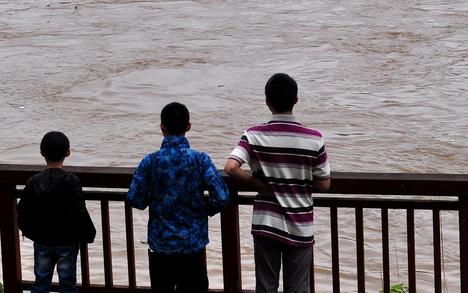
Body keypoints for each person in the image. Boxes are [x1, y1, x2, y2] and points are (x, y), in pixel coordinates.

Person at [225, 73, 331, 293]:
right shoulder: (314, 138)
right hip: (300, 224)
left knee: (266, 286)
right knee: (298, 288)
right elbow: (324, 185)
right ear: (296, 100)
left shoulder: (254, 135)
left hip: (266, 222)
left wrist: (258, 184)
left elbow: (231, 168)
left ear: (267, 101)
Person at [127, 102, 229, 293]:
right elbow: (222, 196)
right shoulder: (200, 160)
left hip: (160, 245)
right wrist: (204, 209)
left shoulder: (150, 161)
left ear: (161, 127)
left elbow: (135, 198)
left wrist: (154, 199)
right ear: (188, 126)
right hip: (192, 244)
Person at [17, 131, 95, 293]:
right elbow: (79, 211)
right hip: (68, 240)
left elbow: (22, 210)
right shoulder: (72, 181)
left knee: (41, 280)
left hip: (42, 240)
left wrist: (30, 232)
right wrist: (89, 233)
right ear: (67, 152)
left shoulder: (34, 181)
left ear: (42, 153)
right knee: (67, 283)